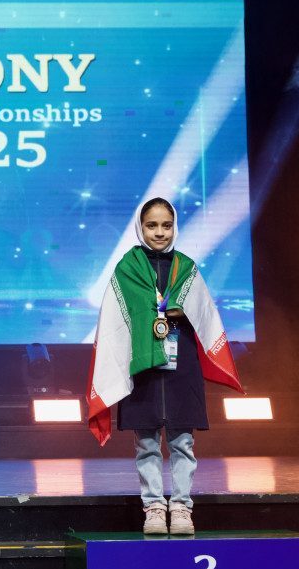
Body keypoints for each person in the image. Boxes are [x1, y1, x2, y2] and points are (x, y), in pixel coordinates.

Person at [86, 197, 242, 535]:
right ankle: (154, 507)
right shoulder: (126, 268)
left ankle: (182, 507)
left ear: (175, 228)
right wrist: (151, 310)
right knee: (146, 442)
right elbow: (114, 319)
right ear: (140, 228)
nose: (160, 232)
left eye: (166, 225)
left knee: (182, 441)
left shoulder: (186, 267)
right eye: (152, 225)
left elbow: (204, 312)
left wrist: (183, 310)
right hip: (142, 366)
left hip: (181, 363)